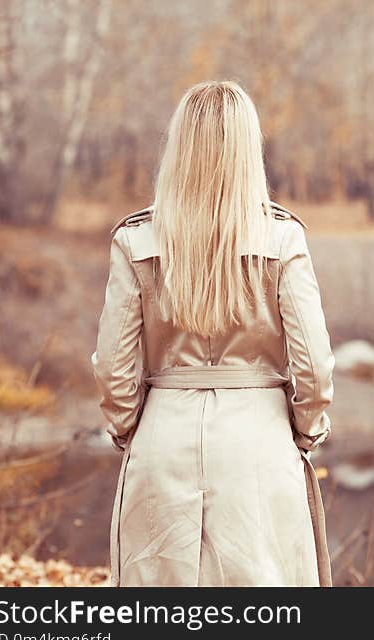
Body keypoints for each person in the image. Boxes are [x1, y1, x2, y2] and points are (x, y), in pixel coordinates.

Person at [91, 81, 334, 587]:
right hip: (259, 442)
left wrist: (127, 428)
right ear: (250, 148)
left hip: (162, 436)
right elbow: (314, 364)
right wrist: (307, 430)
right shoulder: (283, 237)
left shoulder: (136, 238)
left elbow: (114, 368)